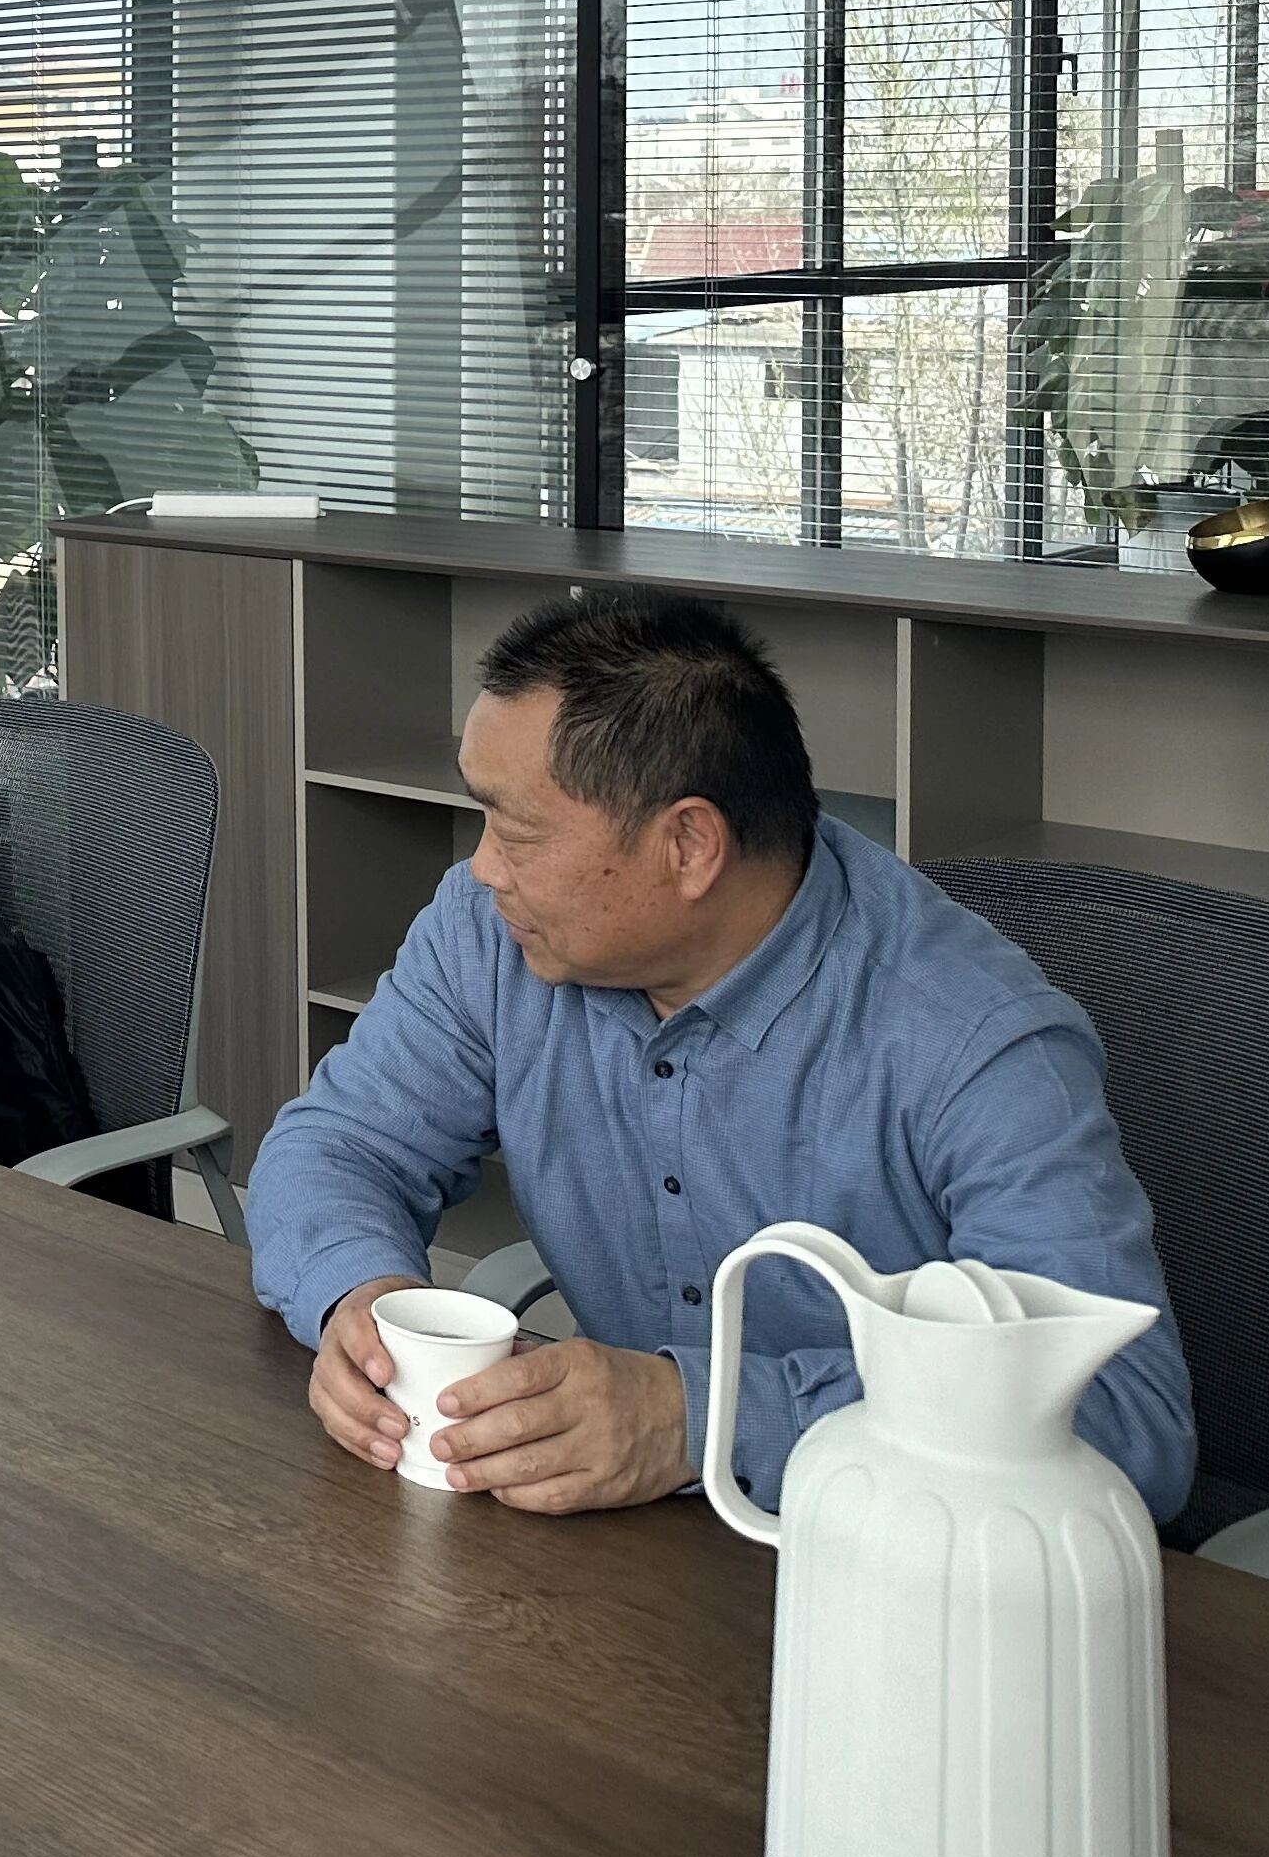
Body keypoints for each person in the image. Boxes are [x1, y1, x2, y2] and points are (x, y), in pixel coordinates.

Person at [249, 586, 1193, 1522]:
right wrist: (359, 1299)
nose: (483, 866)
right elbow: (337, 1146)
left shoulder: (971, 1042)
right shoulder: (488, 931)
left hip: (901, 1551)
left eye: (520, 832)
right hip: (616, 1538)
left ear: (690, 845)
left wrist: (698, 1419)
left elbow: (1126, 1418)